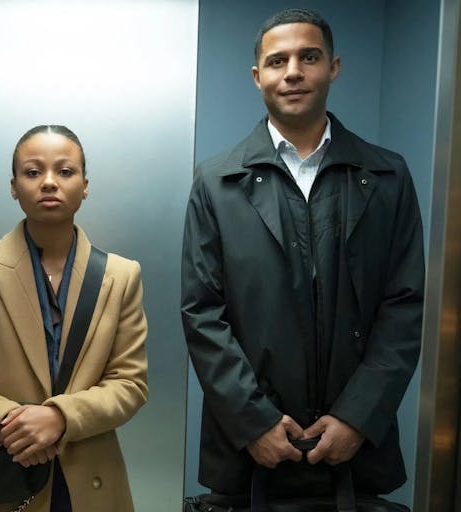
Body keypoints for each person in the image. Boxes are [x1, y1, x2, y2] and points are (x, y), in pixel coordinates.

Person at [181, 8, 424, 504]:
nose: (293, 71)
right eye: (277, 61)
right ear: (258, 77)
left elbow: (405, 305)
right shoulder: (216, 181)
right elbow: (202, 313)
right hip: (250, 455)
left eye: (308, 57)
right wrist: (255, 422)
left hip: (356, 454)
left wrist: (358, 415)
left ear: (333, 67)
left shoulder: (387, 177)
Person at [0, 125, 149, 512]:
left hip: (88, 480)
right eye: (33, 172)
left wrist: (60, 418)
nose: (49, 182)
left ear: (85, 185)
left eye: (65, 171)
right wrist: (10, 424)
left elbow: (130, 384)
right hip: (2, 473)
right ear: (13, 186)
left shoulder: (120, 275)